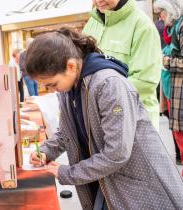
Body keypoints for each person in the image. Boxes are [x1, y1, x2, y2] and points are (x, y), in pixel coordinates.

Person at [27, 28, 183, 209]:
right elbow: (66, 131)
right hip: (108, 181)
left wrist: (67, 173)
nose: (52, 90)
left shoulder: (108, 84)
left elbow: (116, 153)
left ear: (71, 66)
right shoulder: (70, 87)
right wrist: (46, 151)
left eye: (52, 84)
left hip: (139, 185)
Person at [83, 0, 162, 131]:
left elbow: (145, 81)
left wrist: (100, 97)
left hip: (136, 121)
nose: (98, 1)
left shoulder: (142, 25)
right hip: (102, 120)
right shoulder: (92, 23)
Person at [154, 0, 183, 167]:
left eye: (162, 12)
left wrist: (165, 60)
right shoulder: (172, 29)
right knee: (178, 135)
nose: (161, 16)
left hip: (179, 92)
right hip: (173, 91)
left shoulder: (180, 27)